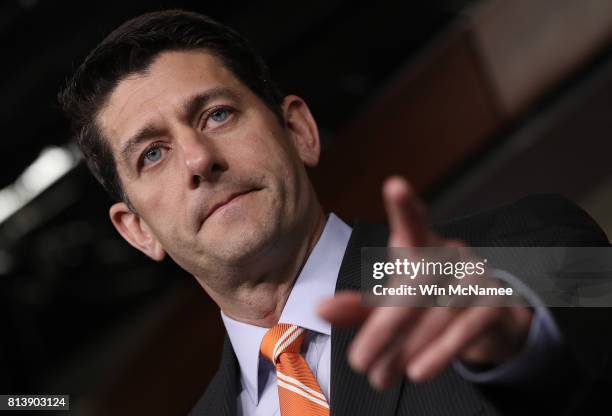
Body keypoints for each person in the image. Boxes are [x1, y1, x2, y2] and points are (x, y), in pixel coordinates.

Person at [58, 9, 612, 416]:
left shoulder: (515, 256)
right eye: (152, 154)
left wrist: (522, 353)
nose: (198, 159)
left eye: (218, 115)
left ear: (298, 131)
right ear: (137, 232)